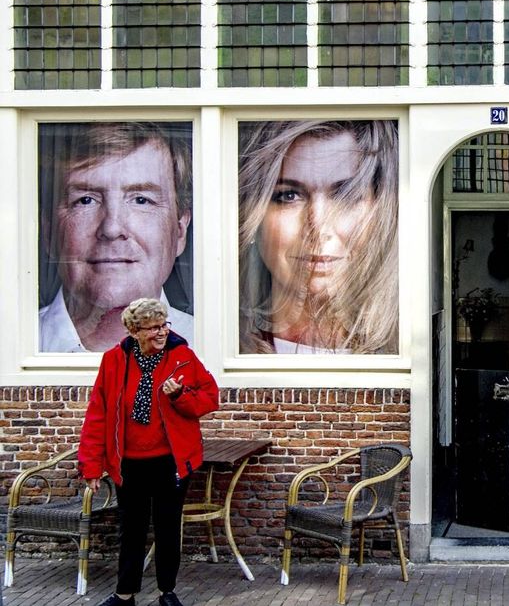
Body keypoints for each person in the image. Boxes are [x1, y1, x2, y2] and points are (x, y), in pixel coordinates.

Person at [78, 298, 219, 606]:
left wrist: (180, 395)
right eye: (153, 327)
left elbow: (210, 398)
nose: (161, 332)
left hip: (170, 461)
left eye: (164, 325)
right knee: (132, 531)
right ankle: (125, 593)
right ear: (134, 331)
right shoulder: (114, 360)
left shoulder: (182, 357)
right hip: (129, 463)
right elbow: (98, 413)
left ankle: (166, 592)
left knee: (168, 529)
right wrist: (91, 466)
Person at [237, 120, 398, 354]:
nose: (318, 228)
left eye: (345, 195)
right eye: (288, 196)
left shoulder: (407, 347)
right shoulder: (222, 343)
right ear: (254, 217)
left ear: (380, 214)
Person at [38, 122, 194, 352]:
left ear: (180, 230)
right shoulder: (12, 348)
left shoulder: (213, 349)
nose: (111, 229)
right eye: (85, 200)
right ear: (49, 233)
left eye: (141, 200)